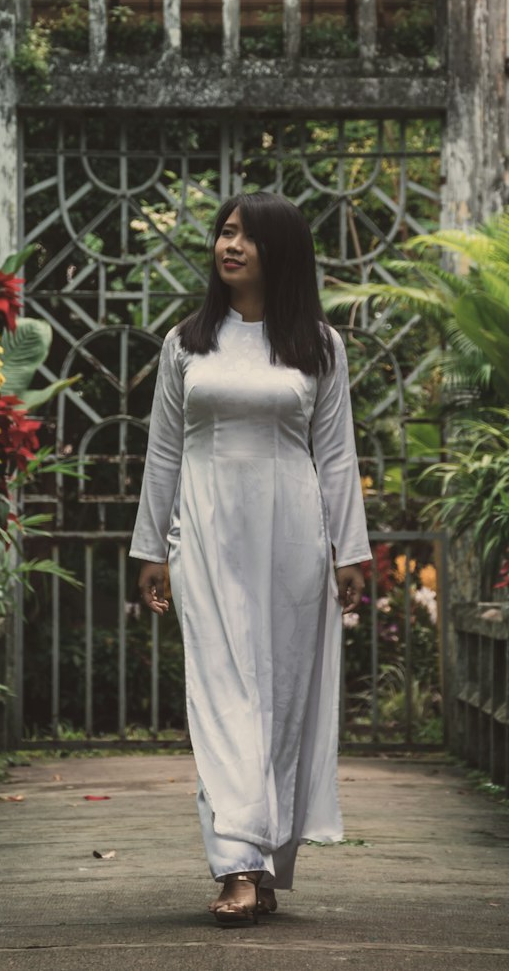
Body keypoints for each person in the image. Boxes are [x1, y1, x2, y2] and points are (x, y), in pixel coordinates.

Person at [129, 191, 369, 925]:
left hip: (293, 534)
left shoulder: (320, 346)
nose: (229, 245)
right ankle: (236, 860)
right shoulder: (187, 342)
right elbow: (163, 451)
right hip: (204, 533)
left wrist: (348, 551)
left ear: (281, 250)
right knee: (222, 692)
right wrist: (151, 548)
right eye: (224, 233)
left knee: (282, 700)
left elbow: (334, 455)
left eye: (246, 236)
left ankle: (265, 862)